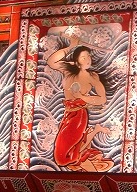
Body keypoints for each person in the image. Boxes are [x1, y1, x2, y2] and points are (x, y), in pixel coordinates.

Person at [47, 32, 114, 172]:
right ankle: (95, 131)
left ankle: (95, 132)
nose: (88, 59)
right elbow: (51, 62)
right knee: (67, 150)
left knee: (62, 156)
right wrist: (71, 47)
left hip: (79, 115)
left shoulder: (92, 76)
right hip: (68, 113)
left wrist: (83, 97)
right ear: (76, 62)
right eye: (83, 57)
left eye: (88, 56)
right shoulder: (68, 70)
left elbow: (102, 98)